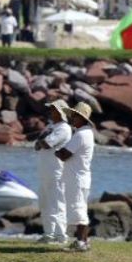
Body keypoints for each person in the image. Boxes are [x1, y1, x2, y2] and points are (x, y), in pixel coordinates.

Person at [55, 102, 96, 252]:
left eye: (75, 115)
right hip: (80, 177)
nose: (72, 118)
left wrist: (56, 150)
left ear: (82, 118)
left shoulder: (80, 135)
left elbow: (65, 155)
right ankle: (84, 241)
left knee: (79, 212)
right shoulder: (86, 133)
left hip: (77, 178)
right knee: (80, 209)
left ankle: (81, 243)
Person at [34, 99, 73, 245]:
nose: (50, 111)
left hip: (57, 171)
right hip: (45, 171)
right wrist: (41, 142)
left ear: (60, 112)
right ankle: (49, 234)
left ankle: (61, 235)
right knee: (45, 203)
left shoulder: (64, 128)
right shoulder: (51, 126)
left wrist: (41, 142)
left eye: (53, 109)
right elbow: (37, 145)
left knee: (57, 203)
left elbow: (45, 143)